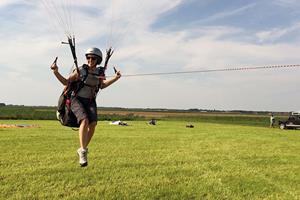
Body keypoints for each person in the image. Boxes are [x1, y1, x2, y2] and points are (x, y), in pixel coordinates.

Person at [51, 47, 121, 167]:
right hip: (76, 99)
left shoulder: (99, 72)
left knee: (93, 125)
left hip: (90, 100)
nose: (90, 60)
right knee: (84, 120)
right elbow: (66, 82)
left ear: (98, 60)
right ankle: (83, 151)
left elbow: (102, 85)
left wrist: (115, 78)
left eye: (93, 58)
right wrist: (56, 72)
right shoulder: (80, 70)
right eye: (88, 57)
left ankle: (82, 149)